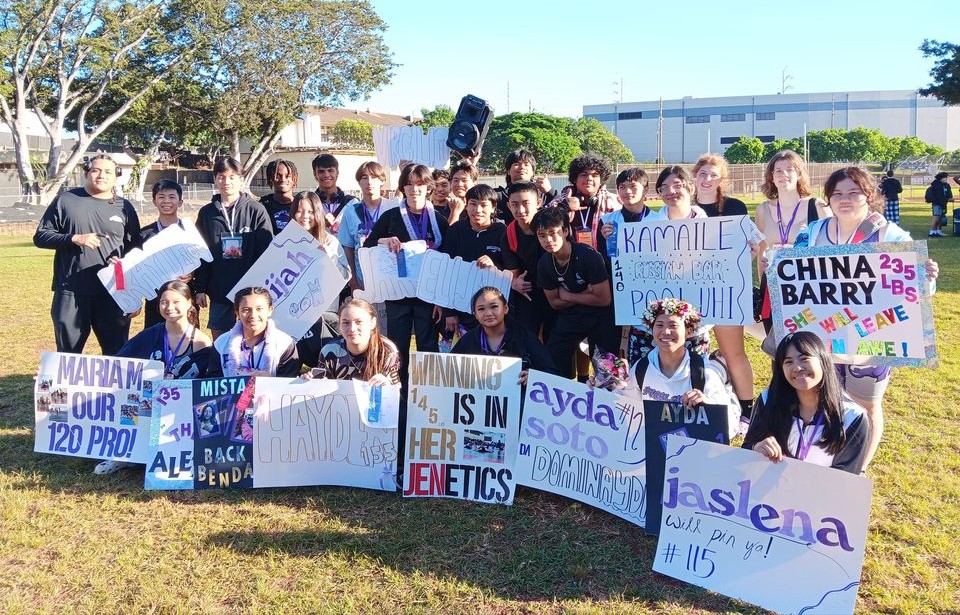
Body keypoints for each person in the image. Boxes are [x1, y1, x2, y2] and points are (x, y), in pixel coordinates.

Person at [795, 166, 939, 469]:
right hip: (825, 338)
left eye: (853, 192)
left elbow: (918, 285)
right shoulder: (813, 233)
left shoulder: (889, 233)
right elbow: (792, 275)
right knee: (826, 400)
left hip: (872, 339)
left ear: (868, 195)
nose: (844, 199)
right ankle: (827, 459)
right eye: (837, 194)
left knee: (867, 404)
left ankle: (857, 468)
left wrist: (926, 277)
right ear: (828, 199)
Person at [94, 280, 213, 475]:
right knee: (128, 395)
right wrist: (54, 376)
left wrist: (175, 385)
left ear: (190, 303)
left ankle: (172, 453)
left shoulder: (201, 343)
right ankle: (125, 454)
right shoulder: (151, 334)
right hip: (147, 402)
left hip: (179, 409)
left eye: (176, 302)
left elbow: (205, 387)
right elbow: (117, 363)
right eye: (164, 302)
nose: (169, 307)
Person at [33, 154, 142, 354]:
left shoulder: (124, 207)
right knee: (68, 353)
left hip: (113, 292)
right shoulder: (66, 200)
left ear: (116, 176)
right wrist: (73, 238)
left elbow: (136, 250)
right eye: (96, 170)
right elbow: (41, 237)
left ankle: (112, 387)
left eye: (108, 171)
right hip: (72, 290)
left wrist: (132, 293)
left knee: (117, 352)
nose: (102, 175)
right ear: (87, 173)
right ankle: (65, 387)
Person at [363, 163, 448, 385]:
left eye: (419, 184)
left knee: (427, 345)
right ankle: (397, 391)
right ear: (402, 188)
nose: (414, 189)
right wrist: (384, 240)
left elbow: (446, 258)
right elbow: (369, 243)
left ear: (428, 187)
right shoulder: (391, 216)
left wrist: (440, 299)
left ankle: (427, 392)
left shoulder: (438, 219)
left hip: (427, 294)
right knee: (397, 346)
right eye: (409, 185)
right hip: (398, 292)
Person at [743, 332, 870, 474]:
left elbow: (845, 479)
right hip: (768, 493)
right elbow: (746, 450)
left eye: (804, 359)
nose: (797, 368)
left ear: (823, 361)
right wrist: (755, 448)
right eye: (788, 362)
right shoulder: (768, 400)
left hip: (821, 494)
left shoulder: (853, 417)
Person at [691, 155, 756, 421]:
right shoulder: (684, 207)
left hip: (726, 291)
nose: (707, 180)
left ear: (722, 179)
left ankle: (748, 408)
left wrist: (748, 254)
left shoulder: (735, 207)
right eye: (702, 174)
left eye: (713, 175)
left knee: (734, 352)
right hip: (692, 291)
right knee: (692, 352)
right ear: (694, 176)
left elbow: (749, 246)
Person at [533, 206, 619, 380]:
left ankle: (608, 400)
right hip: (571, 315)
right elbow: (554, 303)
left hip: (601, 315)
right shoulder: (544, 263)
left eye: (553, 233)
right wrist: (587, 295)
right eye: (542, 236)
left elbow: (604, 299)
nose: (548, 240)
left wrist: (568, 295)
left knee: (606, 367)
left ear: (565, 231)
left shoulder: (589, 256)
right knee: (550, 360)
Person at [194, 157, 273, 340]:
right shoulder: (207, 213)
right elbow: (201, 254)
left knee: (253, 339)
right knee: (221, 342)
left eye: (232, 177)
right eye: (221, 177)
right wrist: (200, 288)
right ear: (215, 179)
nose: (226, 182)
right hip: (219, 291)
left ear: (241, 179)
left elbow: (267, 252)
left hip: (251, 292)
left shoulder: (256, 210)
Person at [754, 150, 830, 333]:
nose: (783, 174)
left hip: (809, 288)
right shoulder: (763, 209)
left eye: (789, 169)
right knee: (776, 344)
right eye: (778, 170)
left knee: (808, 343)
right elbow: (761, 250)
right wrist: (763, 282)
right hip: (774, 286)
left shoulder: (817, 207)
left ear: (799, 174)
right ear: (771, 177)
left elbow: (832, 248)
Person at [624, 298, 729, 408]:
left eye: (673, 325)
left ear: (688, 332)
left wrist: (707, 401)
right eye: (659, 325)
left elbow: (725, 415)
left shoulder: (703, 372)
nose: (666, 332)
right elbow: (625, 410)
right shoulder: (641, 369)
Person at [288, 190, 352, 368]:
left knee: (325, 360)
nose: (304, 216)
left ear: (318, 213)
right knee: (293, 360)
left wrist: (328, 260)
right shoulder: (282, 242)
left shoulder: (330, 242)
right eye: (300, 211)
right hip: (293, 314)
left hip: (325, 312)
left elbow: (346, 275)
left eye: (310, 212)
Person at [452, 287, 558, 385]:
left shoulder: (524, 336)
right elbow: (448, 371)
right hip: (479, 403)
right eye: (481, 309)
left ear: (505, 308)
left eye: (494, 306)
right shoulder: (468, 340)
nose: (488, 313)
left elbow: (550, 371)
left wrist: (533, 377)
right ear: (475, 314)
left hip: (519, 401)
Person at [439, 183, 506, 333]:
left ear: (493, 208)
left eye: (484, 205)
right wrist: (450, 312)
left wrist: (494, 265)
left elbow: (510, 269)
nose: (478, 210)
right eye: (473, 204)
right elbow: (446, 272)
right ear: (466, 206)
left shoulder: (503, 232)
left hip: (492, 308)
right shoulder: (455, 231)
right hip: (461, 307)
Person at [139, 180, 196, 329]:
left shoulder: (191, 232)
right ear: (154, 201)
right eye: (161, 197)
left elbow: (203, 260)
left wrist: (193, 272)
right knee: (155, 337)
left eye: (172, 197)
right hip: (156, 298)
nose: (166, 201)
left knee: (188, 338)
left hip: (185, 294)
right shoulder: (145, 234)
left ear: (180, 202)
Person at [303, 298, 400, 384]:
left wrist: (386, 383)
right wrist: (310, 382)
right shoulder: (329, 351)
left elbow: (395, 388)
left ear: (372, 323)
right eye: (346, 323)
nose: (352, 328)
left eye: (359, 322)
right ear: (339, 324)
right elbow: (321, 386)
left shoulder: (387, 351)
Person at [208, 286, 300, 378]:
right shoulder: (221, 344)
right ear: (237, 312)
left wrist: (269, 382)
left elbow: (288, 386)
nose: (253, 315)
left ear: (270, 310)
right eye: (246, 310)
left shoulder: (284, 344)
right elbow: (212, 384)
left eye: (259, 309)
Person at [338, 161, 399, 293]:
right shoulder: (351, 211)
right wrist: (353, 280)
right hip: (363, 280)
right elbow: (348, 248)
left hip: (392, 280)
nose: (369, 182)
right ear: (359, 182)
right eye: (364, 178)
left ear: (382, 180)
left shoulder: (394, 209)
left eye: (374, 177)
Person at [501, 181, 551, 337]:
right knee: (526, 337)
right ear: (509, 206)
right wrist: (515, 283)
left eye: (526, 203)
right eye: (515, 204)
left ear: (538, 202)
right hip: (528, 292)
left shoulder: (552, 225)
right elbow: (514, 273)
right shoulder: (509, 234)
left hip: (557, 289)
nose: (520, 210)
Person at [547, 153, 620, 252]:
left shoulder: (615, 202)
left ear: (601, 180)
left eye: (595, 175)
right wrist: (564, 206)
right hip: (571, 262)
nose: (589, 178)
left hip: (604, 263)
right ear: (574, 179)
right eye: (584, 174)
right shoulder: (560, 202)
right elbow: (541, 223)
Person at [597, 167, 655, 260]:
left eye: (633, 186)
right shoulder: (606, 221)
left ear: (645, 189)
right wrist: (608, 242)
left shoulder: (659, 219)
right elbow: (604, 261)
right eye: (622, 187)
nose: (627, 191)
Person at [493, 149, 556, 223]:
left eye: (526, 164)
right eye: (517, 164)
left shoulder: (543, 194)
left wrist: (550, 191)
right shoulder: (497, 196)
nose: (522, 167)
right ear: (508, 171)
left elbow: (560, 214)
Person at [312, 153, 359, 235]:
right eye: (321, 171)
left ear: (337, 172)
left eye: (330, 170)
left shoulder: (352, 203)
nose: (326, 175)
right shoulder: (309, 202)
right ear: (315, 174)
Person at [259, 159, 297, 234]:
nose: (283, 179)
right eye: (278, 176)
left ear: (294, 179)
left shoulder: (301, 205)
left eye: (287, 176)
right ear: (271, 179)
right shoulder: (262, 206)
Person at [443, 160, 478, 225]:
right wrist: (454, 211)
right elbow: (446, 233)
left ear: (475, 183)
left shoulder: (480, 206)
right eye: (456, 180)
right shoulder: (446, 207)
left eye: (464, 180)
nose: (459, 184)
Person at [926, 171, 954, 237]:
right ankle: (932, 232)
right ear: (942, 178)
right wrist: (947, 199)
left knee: (940, 217)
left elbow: (947, 194)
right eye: (946, 178)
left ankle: (938, 231)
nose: (947, 179)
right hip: (937, 203)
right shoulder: (936, 185)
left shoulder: (945, 185)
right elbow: (939, 196)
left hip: (942, 203)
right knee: (936, 217)